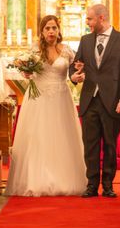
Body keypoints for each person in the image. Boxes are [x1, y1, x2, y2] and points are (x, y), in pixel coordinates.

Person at [6, 15, 87, 196]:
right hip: (38, 98)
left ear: (59, 30)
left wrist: (76, 76)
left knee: (61, 136)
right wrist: (26, 73)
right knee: (38, 136)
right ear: (42, 32)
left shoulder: (67, 51)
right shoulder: (34, 50)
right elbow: (25, 69)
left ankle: (64, 179)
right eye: (47, 28)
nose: (51, 31)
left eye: (54, 28)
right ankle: (37, 179)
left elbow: (76, 70)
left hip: (61, 97)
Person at [69, 4, 120, 198]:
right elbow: (75, 66)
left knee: (109, 145)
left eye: (89, 19)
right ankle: (91, 185)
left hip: (113, 100)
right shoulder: (86, 40)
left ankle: (108, 185)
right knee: (90, 145)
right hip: (90, 99)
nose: (87, 22)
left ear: (101, 18)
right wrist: (74, 76)